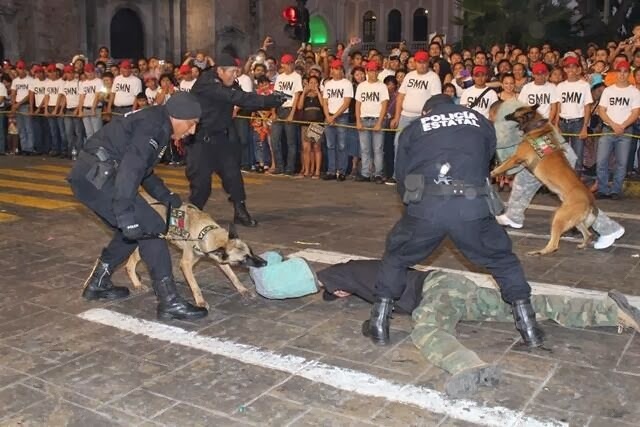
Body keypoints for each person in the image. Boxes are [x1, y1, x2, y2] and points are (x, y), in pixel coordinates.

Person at [361, 94, 544, 350]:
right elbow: (488, 159)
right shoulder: (480, 121)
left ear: (427, 110)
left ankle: (379, 324)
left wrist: (412, 206)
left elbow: (402, 174)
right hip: (472, 207)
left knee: (397, 255)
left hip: (428, 207)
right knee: (502, 260)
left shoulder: (415, 127)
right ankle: (529, 328)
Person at [319, 259, 640, 397]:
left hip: (437, 289)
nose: (341, 295)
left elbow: (326, 275)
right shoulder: (365, 280)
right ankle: (607, 311)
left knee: (427, 329)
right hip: (453, 289)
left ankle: (468, 367)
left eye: (336, 292)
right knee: (521, 306)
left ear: (338, 286)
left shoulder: (347, 273)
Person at [67, 92, 208, 321]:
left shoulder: (158, 122)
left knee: (132, 232)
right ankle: (169, 302)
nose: (192, 131)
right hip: (99, 177)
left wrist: (166, 195)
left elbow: (144, 170)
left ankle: (98, 283)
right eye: (192, 124)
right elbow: (131, 169)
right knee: (152, 226)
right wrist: (125, 213)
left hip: (92, 176)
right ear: (179, 116)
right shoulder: (153, 126)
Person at [186, 53, 286, 226]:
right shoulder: (207, 83)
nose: (235, 75)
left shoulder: (229, 83)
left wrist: (271, 100)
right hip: (201, 140)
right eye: (232, 72)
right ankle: (192, 217)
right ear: (220, 70)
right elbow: (233, 97)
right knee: (201, 184)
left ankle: (240, 212)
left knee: (233, 176)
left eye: (236, 72)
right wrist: (268, 100)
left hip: (222, 138)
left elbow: (244, 99)